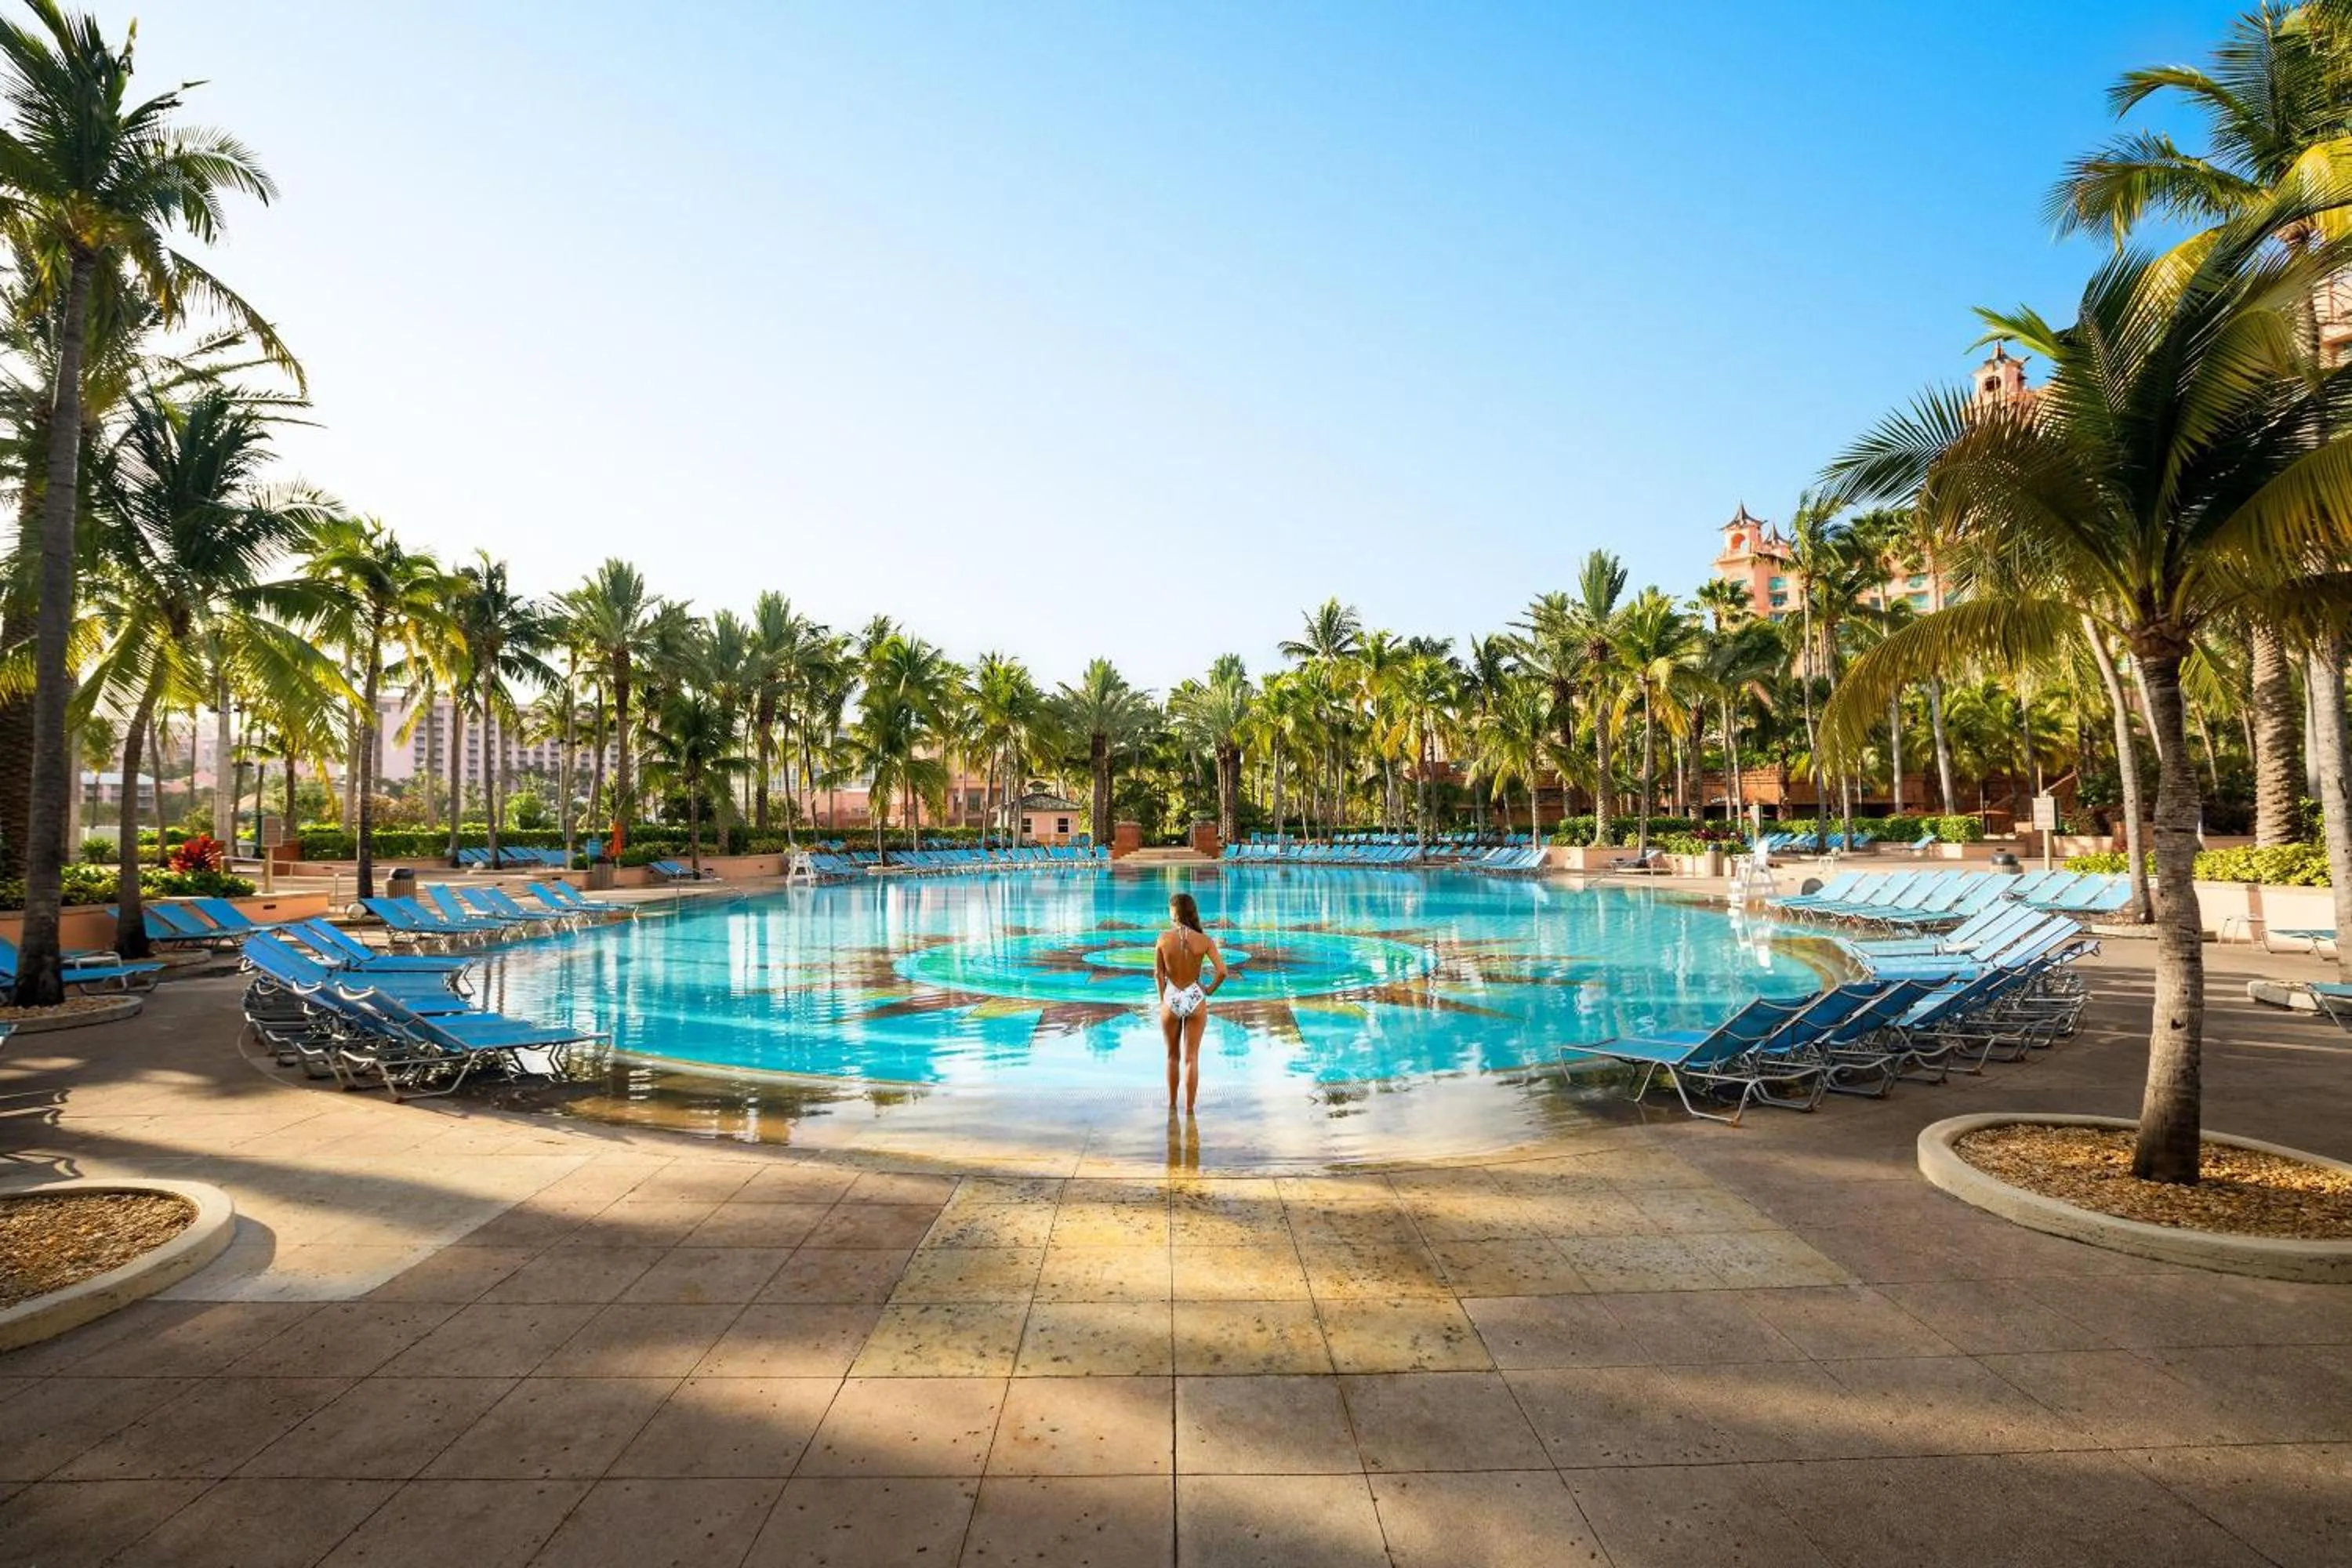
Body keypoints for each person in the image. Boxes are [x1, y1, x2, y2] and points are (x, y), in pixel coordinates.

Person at [1154, 891, 1228, 1114]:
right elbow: (1223, 971)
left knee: (1172, 1056)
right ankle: (1189, 1108)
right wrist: (1209, 990)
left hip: (1172, 997)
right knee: (1191, 1057)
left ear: (1174, 912)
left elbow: (1158, 974)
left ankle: (1172, 1105)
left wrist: (1163, 1001)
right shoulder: (1204, 941)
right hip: (1196, 997)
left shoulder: (1163, 939)